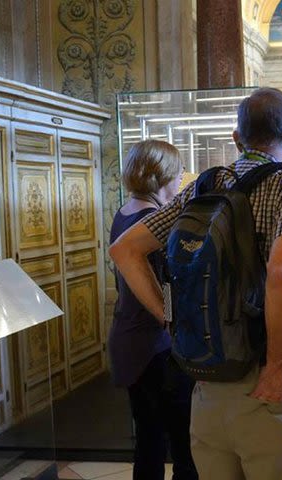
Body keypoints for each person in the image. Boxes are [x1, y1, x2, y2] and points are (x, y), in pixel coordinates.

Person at [109, 87, 282, 480]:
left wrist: (169, 318)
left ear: (236, 138)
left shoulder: (202, 187)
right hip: (266, 381)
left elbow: (125, 250)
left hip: (206, 381)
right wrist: (278, 367)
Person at [108, 139, 198, 480]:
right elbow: (167, 286)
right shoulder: (153, 221)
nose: (178, 184)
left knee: (148, 438)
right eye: (176, 176)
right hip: (155, 344)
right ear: (161, 177)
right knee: (182, 440)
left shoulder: (124, 212)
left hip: (129, 339)